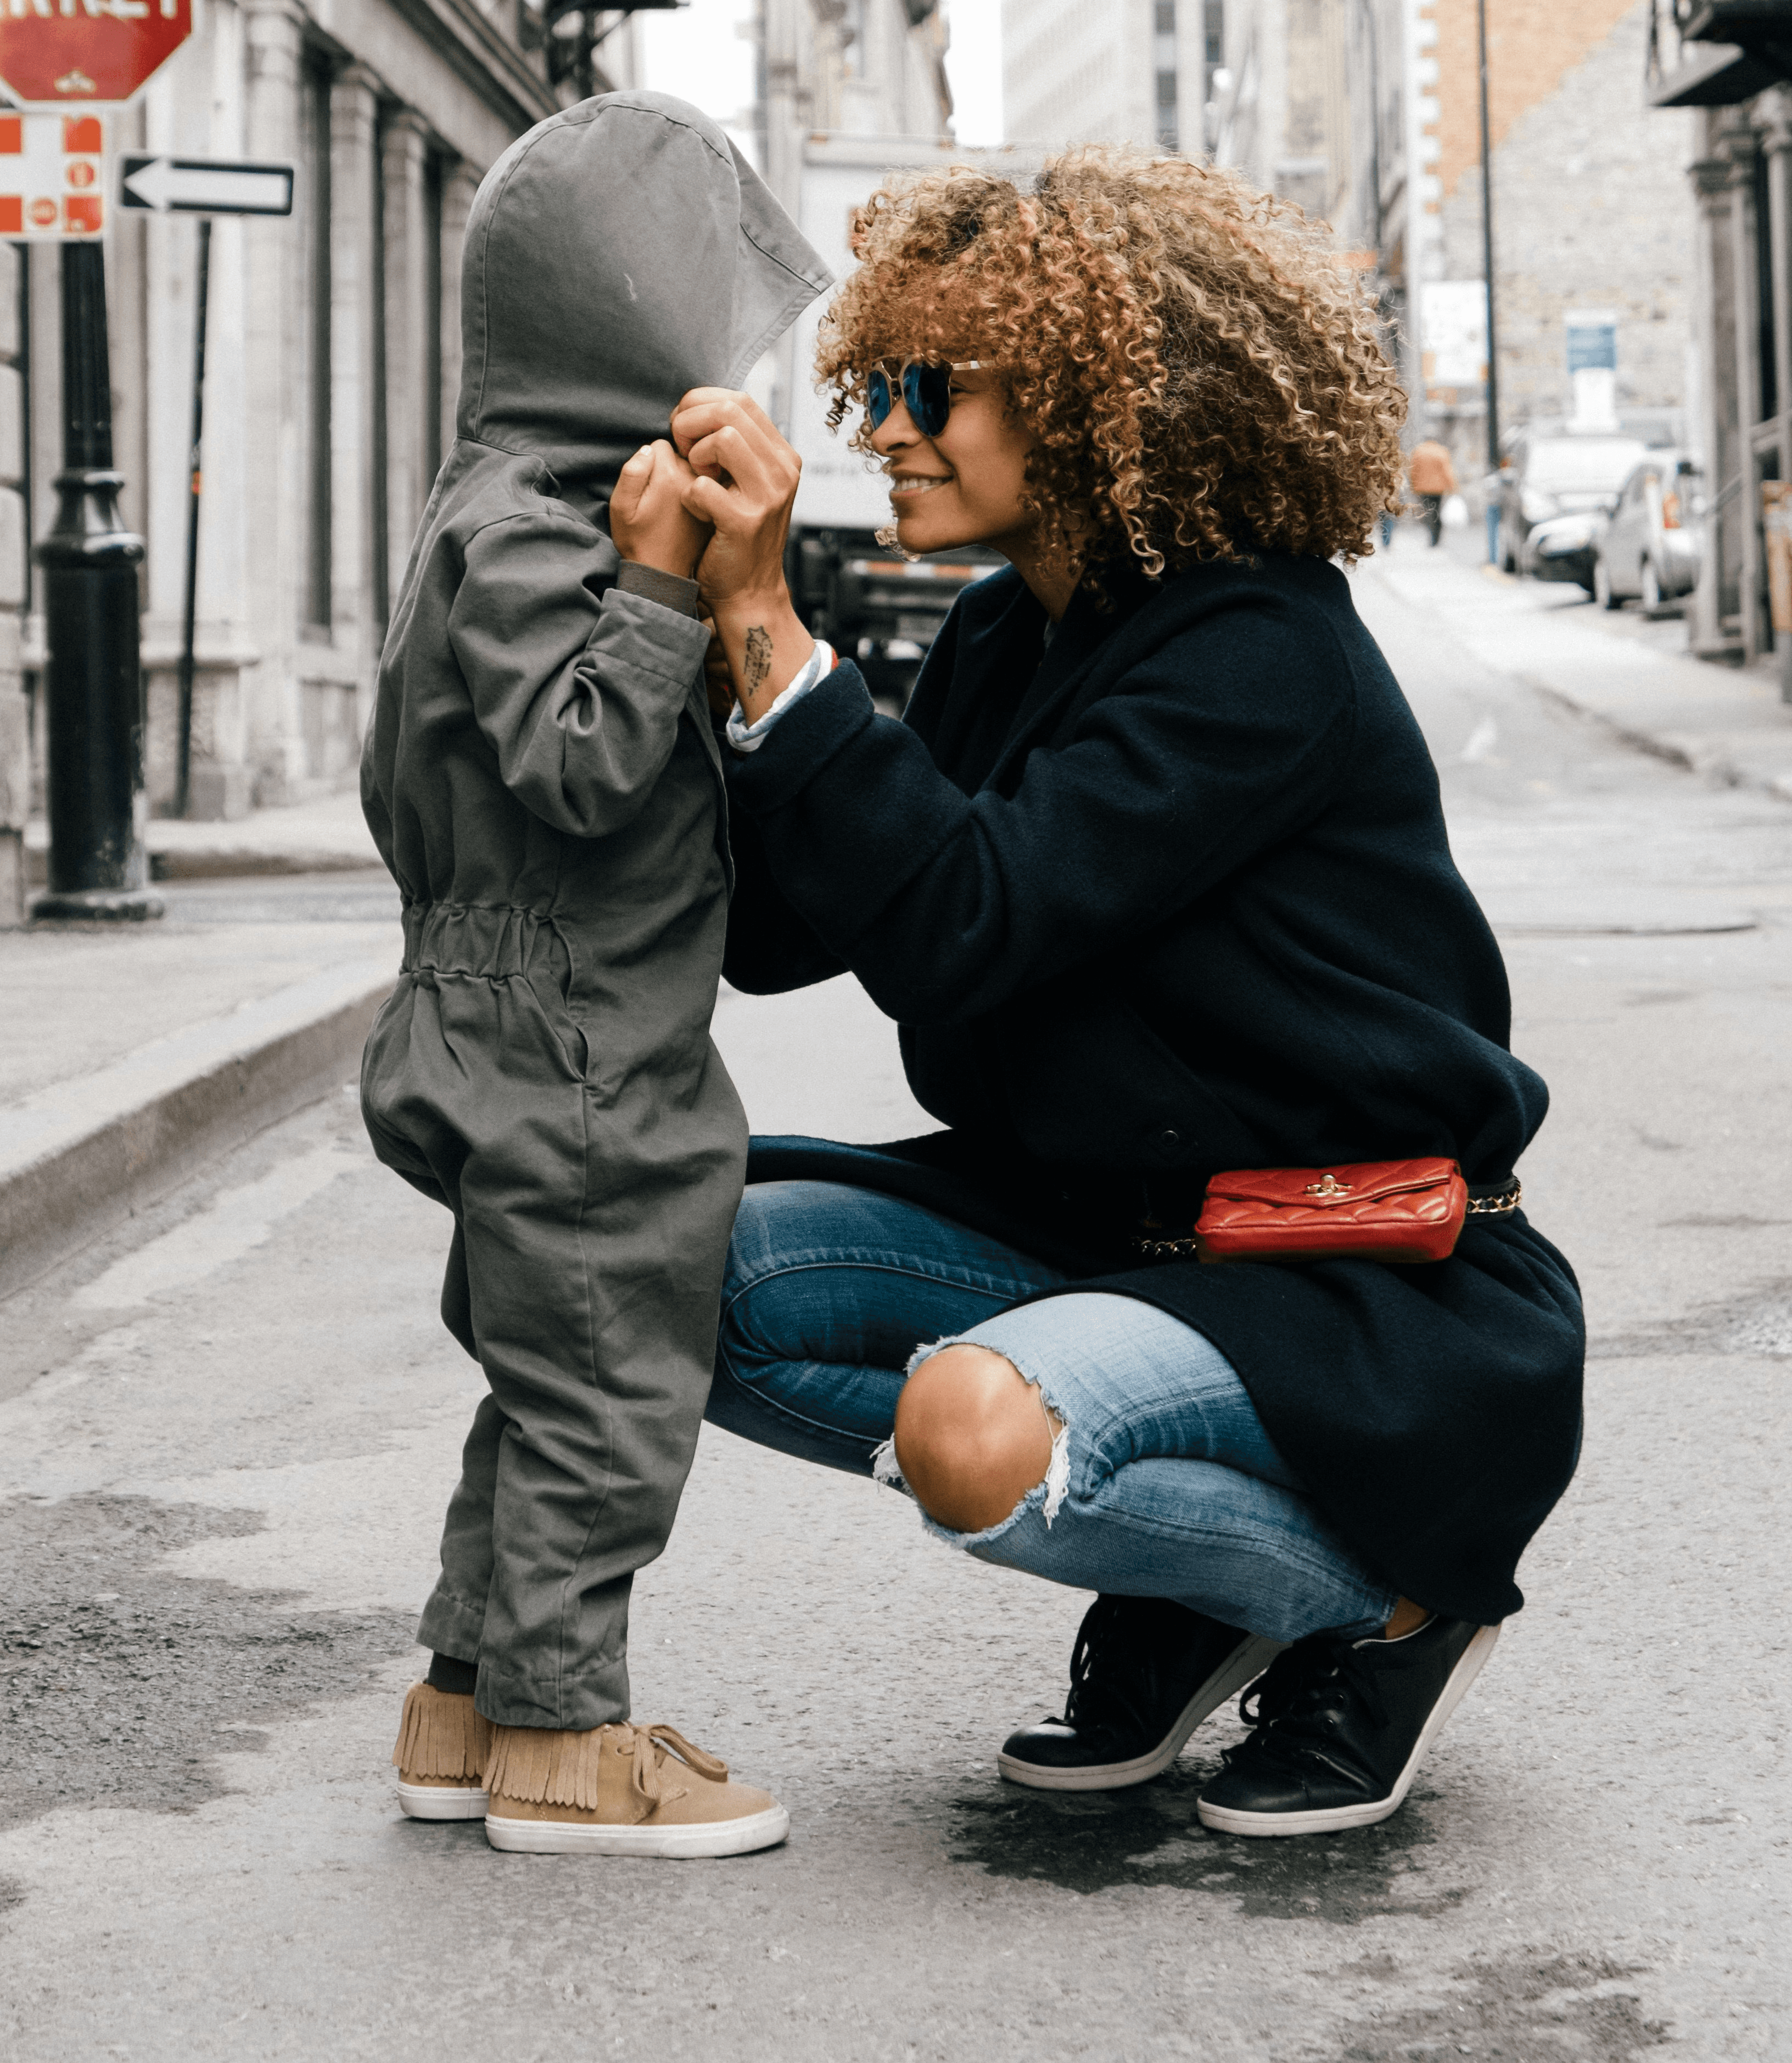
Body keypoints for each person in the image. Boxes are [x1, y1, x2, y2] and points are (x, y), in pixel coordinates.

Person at [680, 148, 1583, 1837]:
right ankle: (1198, 1574)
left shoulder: (1256, 651)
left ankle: (1375, 1599)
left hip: (1350, 1279)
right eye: (875, 382)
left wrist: (772, 631)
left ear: (1102, 397)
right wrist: (696, 625)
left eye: (931, 388)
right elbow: (783, 931)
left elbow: (964, 918)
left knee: (974, 1436)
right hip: (1096, 1231)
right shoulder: (1001, 641)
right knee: (658, 1274)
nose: (882, 427)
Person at [359, 91, 828, 1857]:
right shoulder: (549, 529)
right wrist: (656, 593)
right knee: (614, 1390)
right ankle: (566, 1739)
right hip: (576, 1047)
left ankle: (466, 1700)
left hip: (507, 1014)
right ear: (626, 320)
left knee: (541, 1378)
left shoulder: (488, 507)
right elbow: (575, 765)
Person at [1409, 437, 1458, 547]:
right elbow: (1447, 470)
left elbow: (1413, 470)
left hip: (1423, 488)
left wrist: (1413, 485)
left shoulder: (1419, 452)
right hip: (1438, 488)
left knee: (1428, 511)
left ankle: (1431, 535)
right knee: (1437, 511)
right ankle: (1436, 537)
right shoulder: (1441, 451)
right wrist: (1452, 486)